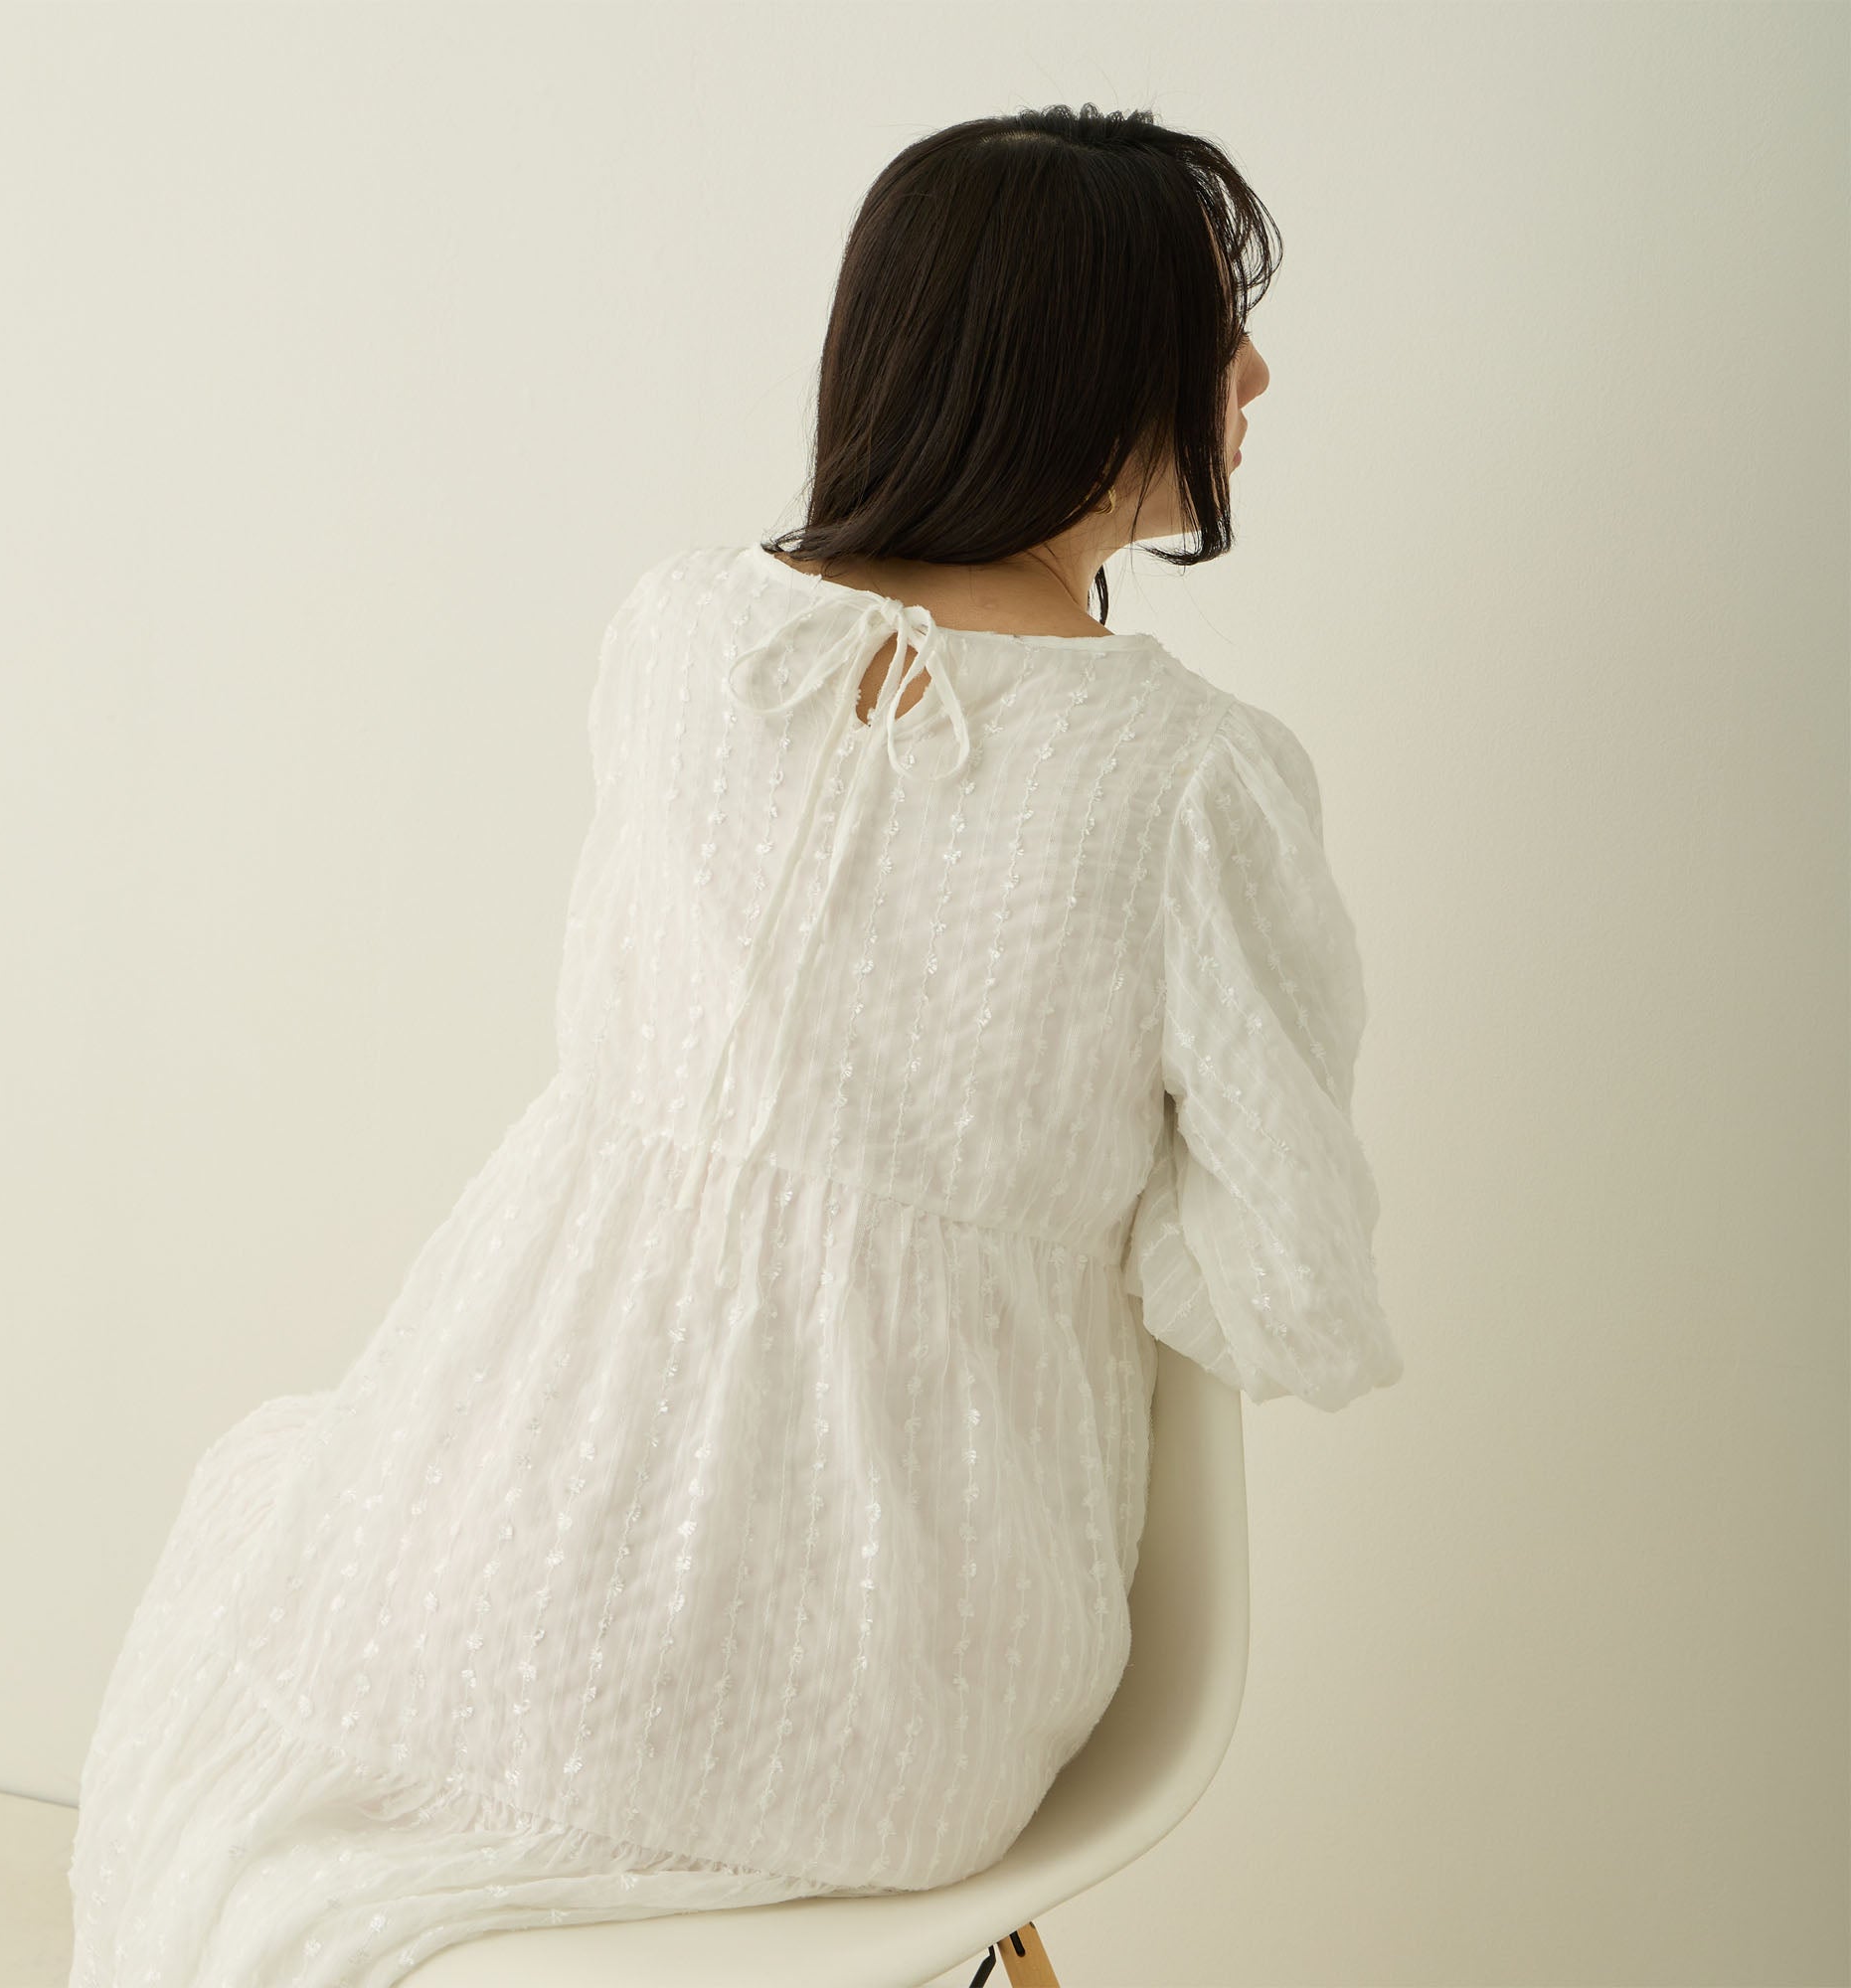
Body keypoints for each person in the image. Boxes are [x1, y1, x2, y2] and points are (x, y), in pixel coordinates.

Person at [68, 101, 1402, 1988]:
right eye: (1213, 331)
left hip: (484, 1574)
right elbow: (1288, 1294)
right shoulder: (1197, 779)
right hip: (896, 1691)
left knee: (258, 1518)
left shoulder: (681, 640)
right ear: (1078, 367)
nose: (1255, 376)